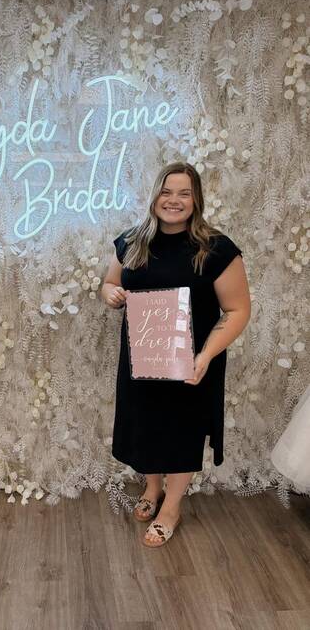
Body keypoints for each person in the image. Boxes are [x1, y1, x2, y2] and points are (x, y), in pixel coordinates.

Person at [101, 162, 251, 547]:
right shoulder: (132, 241)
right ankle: (152, 489)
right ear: (155, 196)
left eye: (184, 193)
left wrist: (206, 355)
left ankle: (172, 507)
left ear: (196, 199)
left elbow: (238, 310)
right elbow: (110, 282)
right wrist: (111, 294)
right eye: (167, 192)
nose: (174, 200)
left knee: (182, 431)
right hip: (142, 358)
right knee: (146, 427)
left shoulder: (216, 249)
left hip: (192, 361)